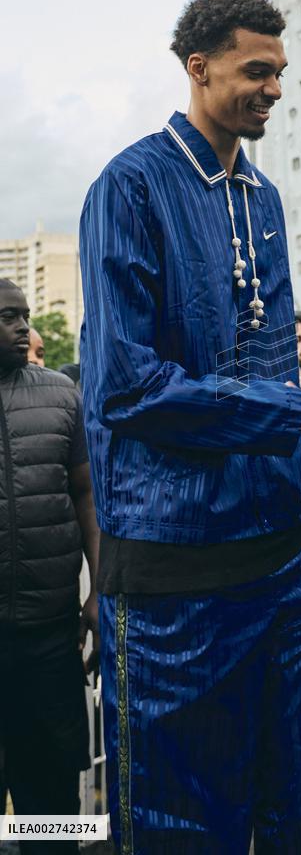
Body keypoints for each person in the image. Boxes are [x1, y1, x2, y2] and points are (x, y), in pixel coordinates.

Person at [79, 0, 301, 855]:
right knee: (182, 828)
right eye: (257, 70)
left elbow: (266, 365)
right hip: (176, 572)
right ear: (199, 66)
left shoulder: (265, 197)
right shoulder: (130, 185)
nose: (275, 89)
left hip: (287, 562)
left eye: (281, 73)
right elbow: (126, 388)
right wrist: (297, 408)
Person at [0, 279, 99, 854]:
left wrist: (98, 591)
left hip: (50, 639)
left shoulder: (62, 395)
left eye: (26, 315)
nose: (24, 328)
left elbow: (86, 497)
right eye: (8, 317)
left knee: (53, 801)